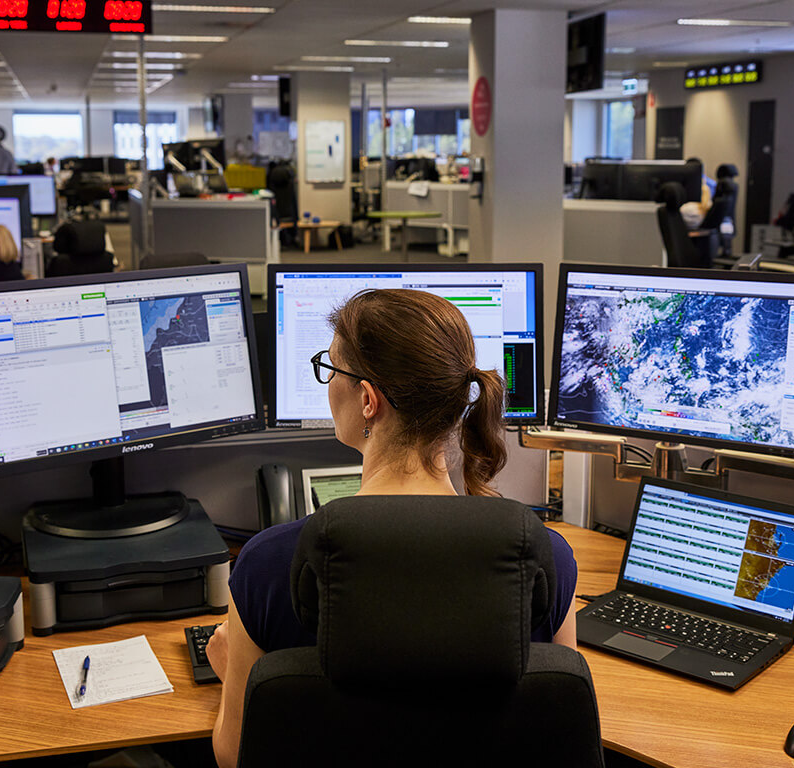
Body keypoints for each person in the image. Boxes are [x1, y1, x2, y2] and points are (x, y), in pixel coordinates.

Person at [206, 289, 578, 767]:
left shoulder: (269, 564)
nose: (327, 382)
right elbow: (559, 727)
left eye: (331, 368)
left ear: (367, 399)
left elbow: (234, 755)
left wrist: (238, 677)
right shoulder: (545, 557)